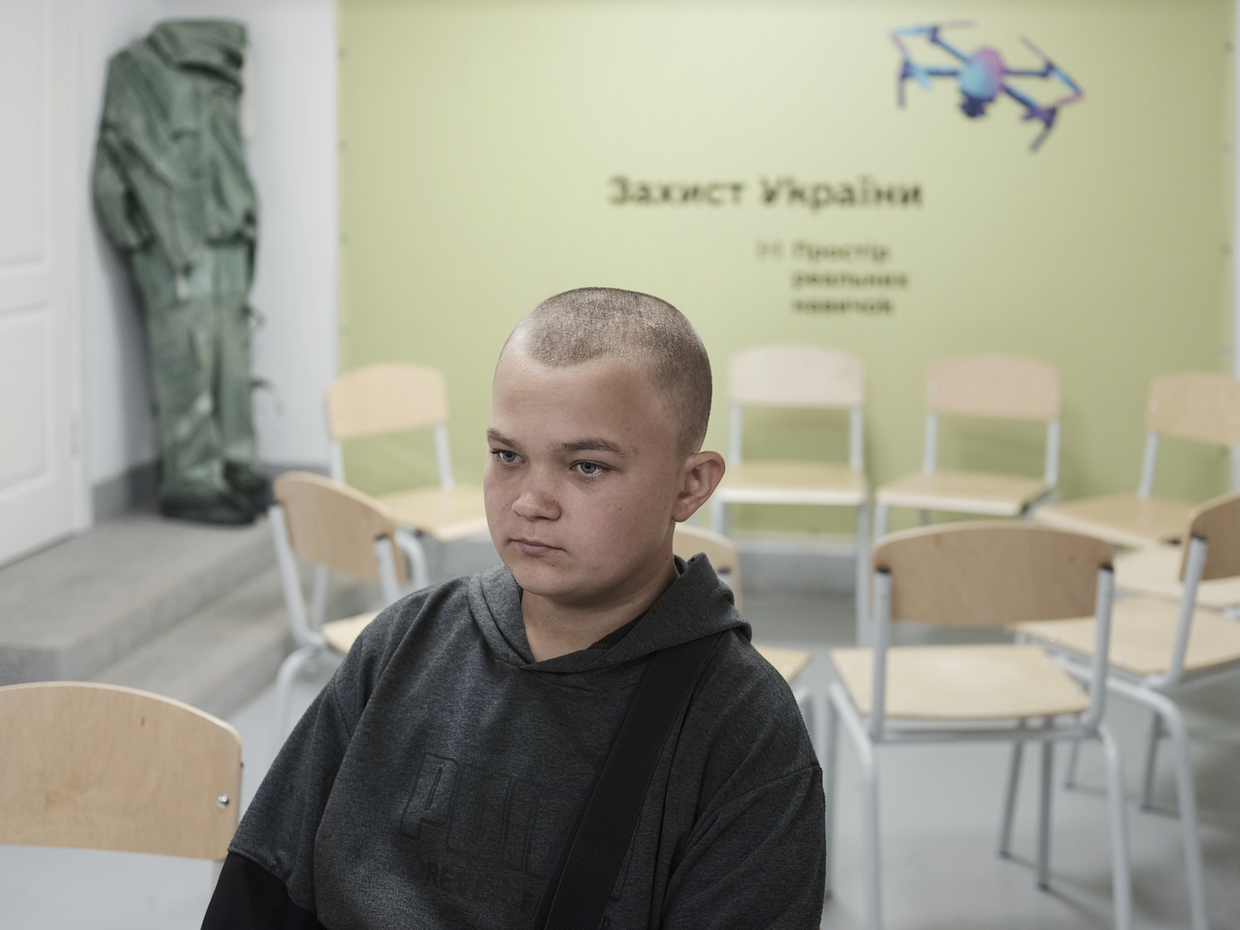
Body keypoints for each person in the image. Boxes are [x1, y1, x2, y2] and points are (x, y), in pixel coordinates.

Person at [202, 288, 825, 929]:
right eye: (508, 456)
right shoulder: (402, 646)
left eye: (586, 466)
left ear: (689, 485)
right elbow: (261, 891)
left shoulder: (742, 729)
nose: (531, 500)